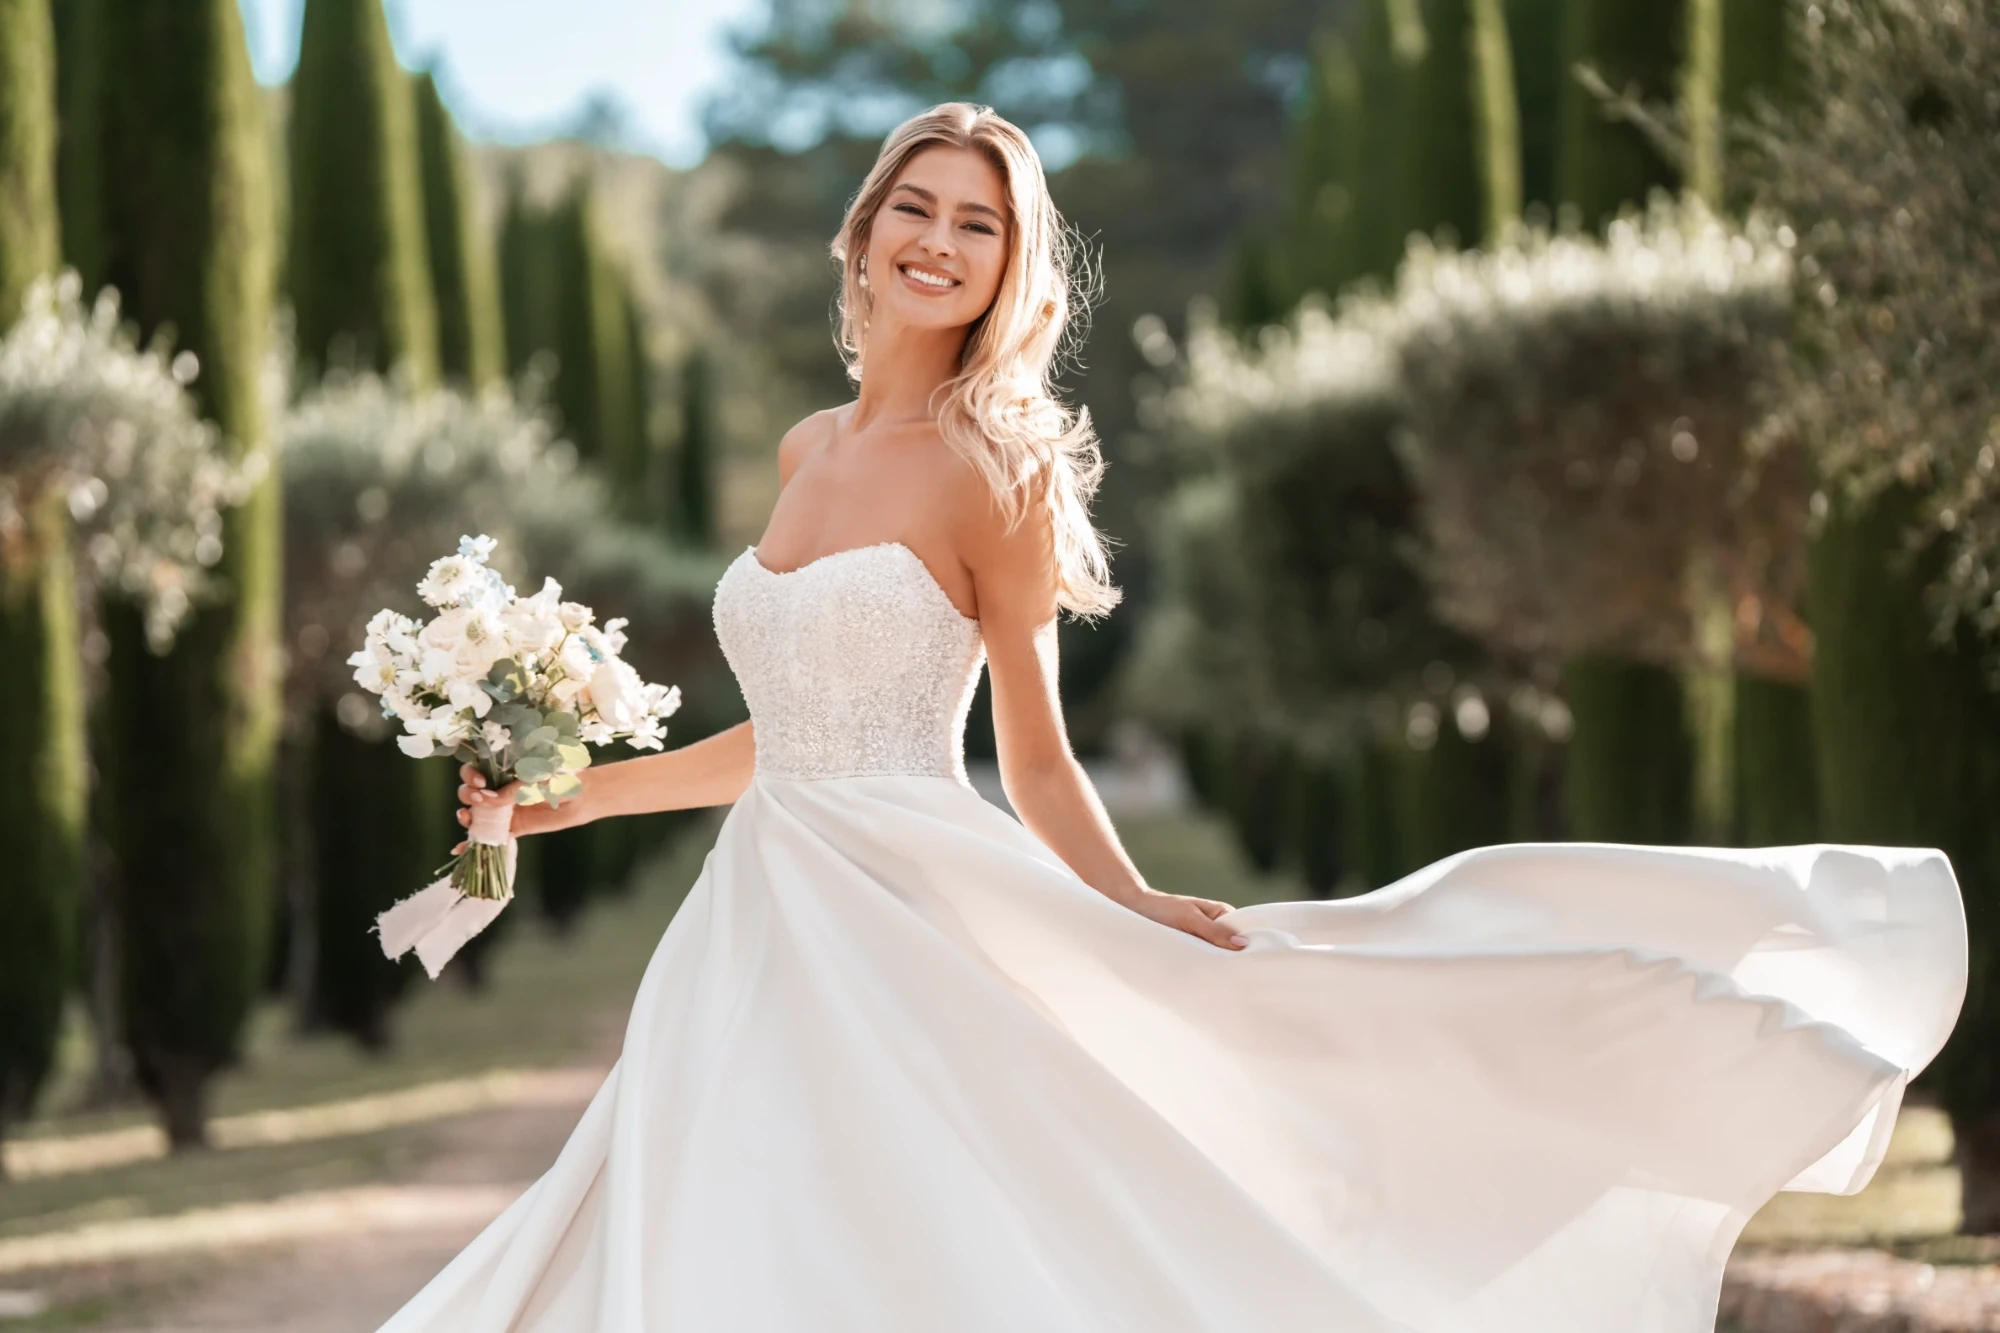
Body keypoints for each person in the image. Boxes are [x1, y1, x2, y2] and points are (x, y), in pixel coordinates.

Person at [377, 102, 1966, 1333]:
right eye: (915, 210)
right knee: (727, 1193)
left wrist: (1125, 906)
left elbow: (1033, 743)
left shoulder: (1000, 465)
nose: (940, 241)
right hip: (764, 905)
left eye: (979, 225)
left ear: (1011, 266)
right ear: (861, 239)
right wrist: (579, 794)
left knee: (945, 1217)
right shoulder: (805, 453)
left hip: (912, 902)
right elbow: (784, 737)